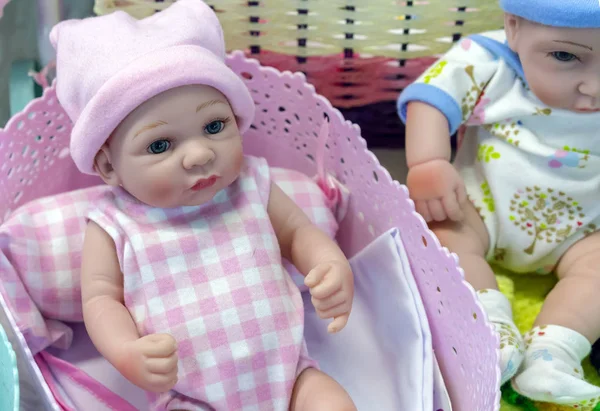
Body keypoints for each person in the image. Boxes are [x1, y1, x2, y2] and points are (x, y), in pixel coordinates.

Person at [50, 1, 357, 409]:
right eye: (160, 145)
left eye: (214, 126)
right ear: (108, 165)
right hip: (189, 395)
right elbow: (101, 299)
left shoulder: (250, 184)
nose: (198, 155)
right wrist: (126, 351)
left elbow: (298, 231)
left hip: (291, 376)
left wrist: (331, 264)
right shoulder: (113, 222)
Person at [398, 0, 600, 407]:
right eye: (565, 56)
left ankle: (553, 352)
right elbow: (431, 98)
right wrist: (429, 162)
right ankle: (490, 331)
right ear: (514, 28)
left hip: (584, 230)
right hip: (480, 209)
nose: (593, 87)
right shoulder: (491, 63)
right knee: (442, 237)